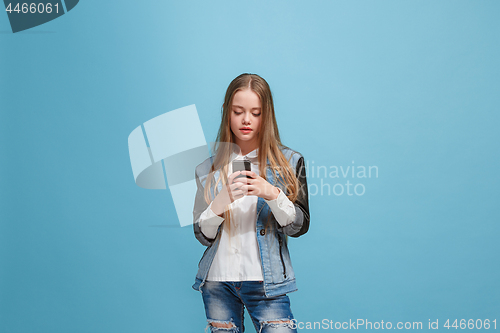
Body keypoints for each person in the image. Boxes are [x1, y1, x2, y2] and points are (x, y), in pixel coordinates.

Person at [192, 73, 310, 333]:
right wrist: (220, 202)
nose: (246, 120)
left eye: (256, 113)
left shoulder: (290, 162)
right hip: (217, 282)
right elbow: (202, 234)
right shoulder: (206, 169)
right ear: (227, 112)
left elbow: (299, 226)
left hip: (266, 283)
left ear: (266, 115)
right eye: (238, 111)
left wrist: (271, 193)